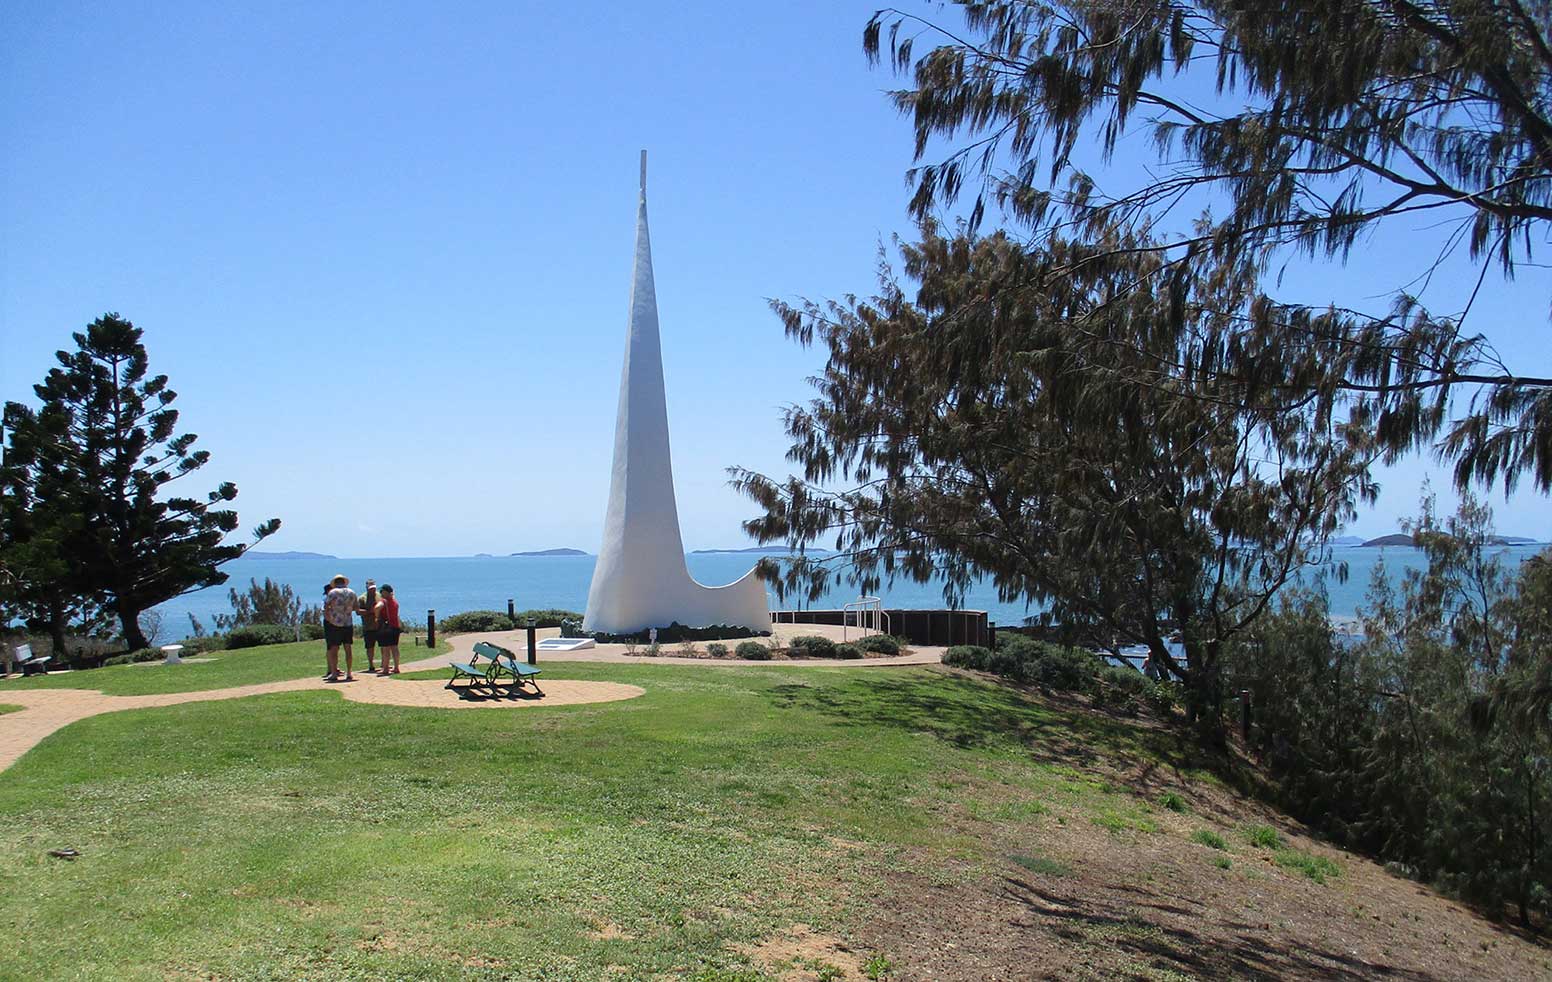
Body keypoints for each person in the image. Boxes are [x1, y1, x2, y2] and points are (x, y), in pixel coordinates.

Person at [322, 574, 358, 682]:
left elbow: (326, 607)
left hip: (335, 623)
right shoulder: (352, 592)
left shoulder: (332, 593)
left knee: (334, 649)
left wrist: (329, 618)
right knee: (348, 648)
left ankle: (334, 672)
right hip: (348, 623)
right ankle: (349, 672)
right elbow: (356, 607)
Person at [375, 584, 402, 675]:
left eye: (382, 591)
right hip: (395, 626)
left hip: (386, 627)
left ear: (386, 592)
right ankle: (396, 667)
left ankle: (385, 668)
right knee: (394, 647)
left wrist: (377, 616)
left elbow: (377, 607)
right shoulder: (395, 602)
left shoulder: (384, 601)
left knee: (386, 648)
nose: (380, 593)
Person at [356, 579, 379, 673]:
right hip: (368, 626)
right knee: (370, 646)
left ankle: (383, 664)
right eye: (370, 588)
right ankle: (371, 664)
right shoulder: (362, 598)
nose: (372, 590)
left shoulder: (379, 596)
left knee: (383, 645)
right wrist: (370, 612)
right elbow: (358, 611)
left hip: (379, 625)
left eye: (373, 588)